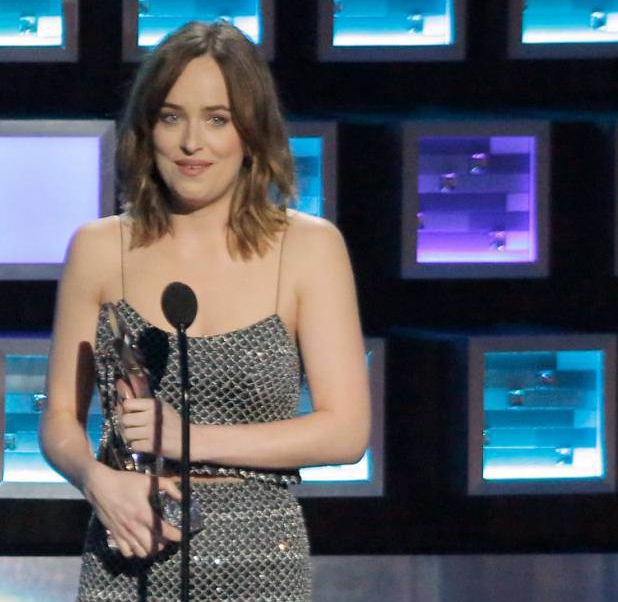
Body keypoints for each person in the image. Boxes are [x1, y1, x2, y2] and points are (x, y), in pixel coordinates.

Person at [40, 20, 370, 601]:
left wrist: (191, 437)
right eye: (172, 117)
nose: (193, 142)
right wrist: (96, 480)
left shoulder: (310, 248)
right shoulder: (97, 248)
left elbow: (345, 432)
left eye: (217, 119)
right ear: (147, 129)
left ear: (251, 131)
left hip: (260, 558)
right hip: (128, 549)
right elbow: (60, 419)